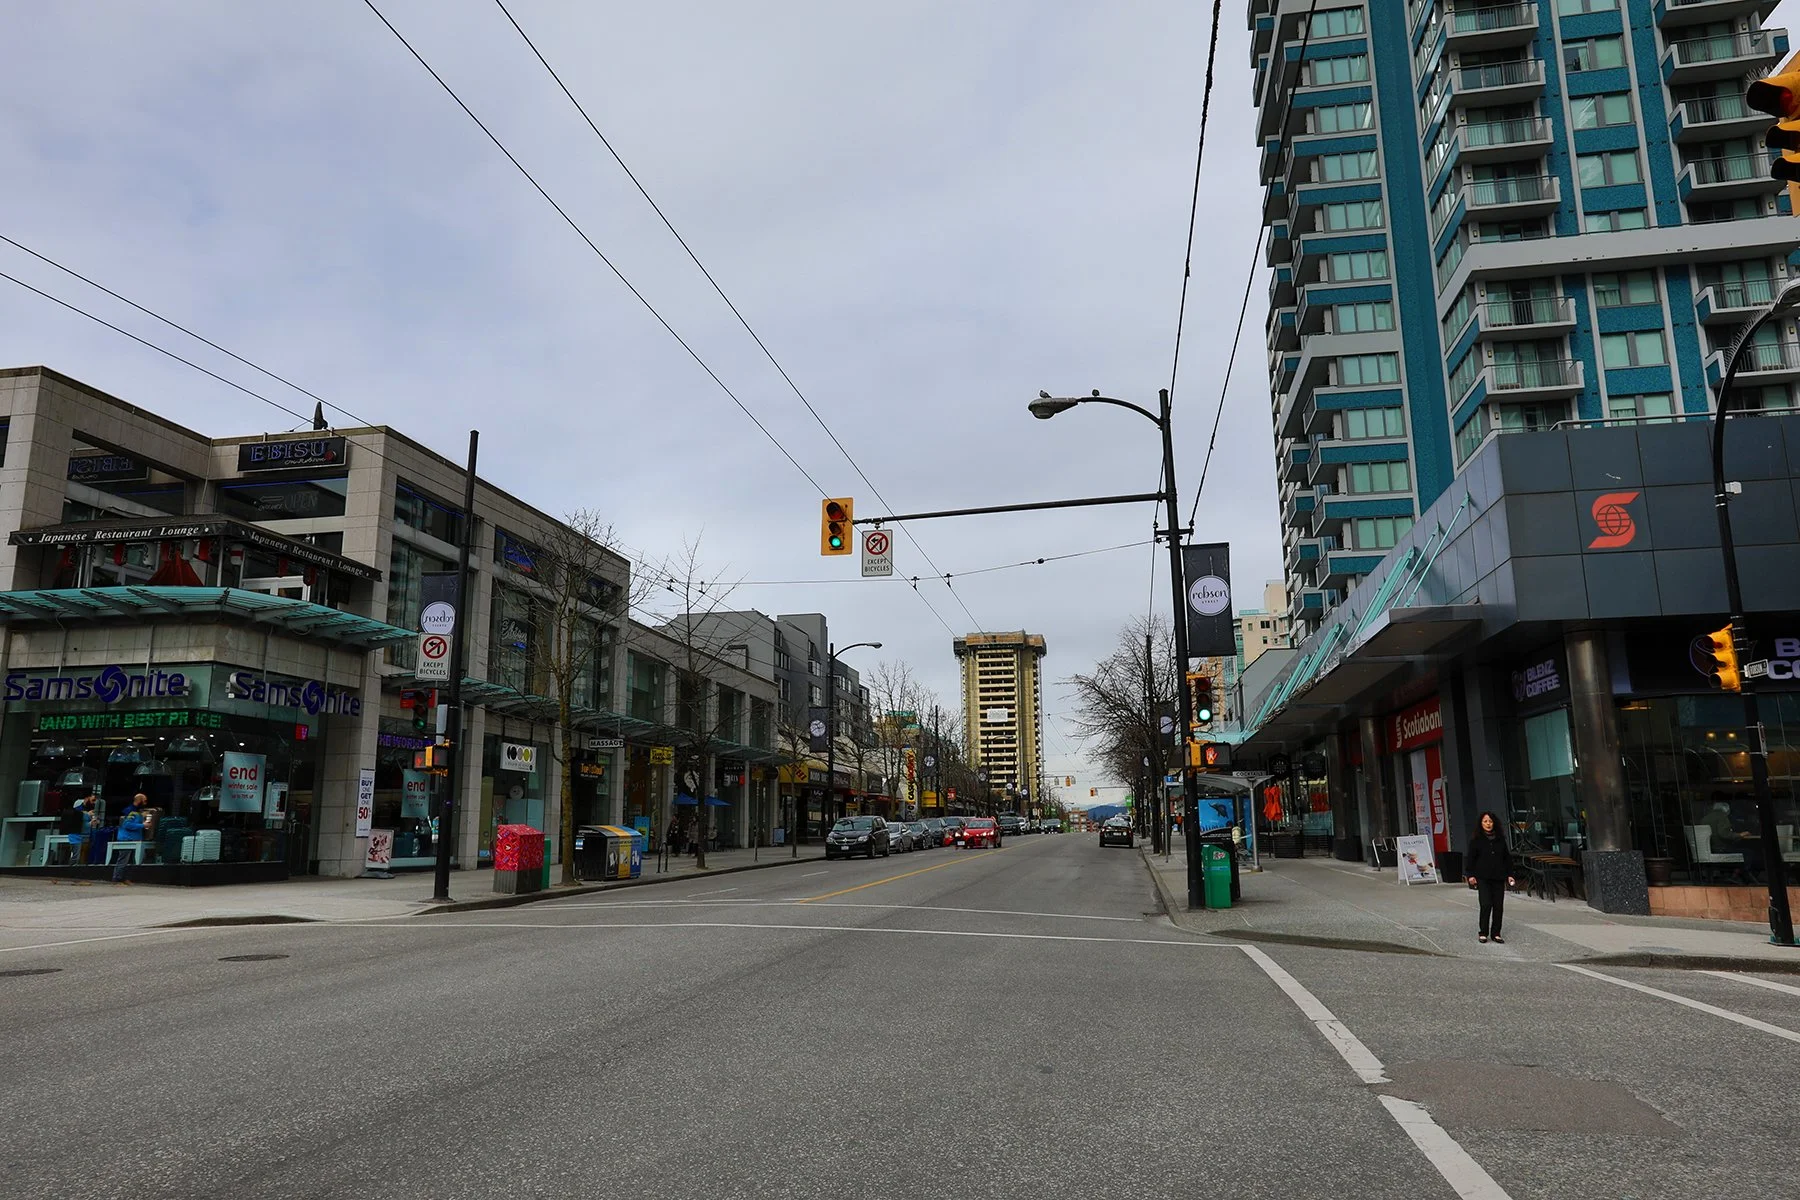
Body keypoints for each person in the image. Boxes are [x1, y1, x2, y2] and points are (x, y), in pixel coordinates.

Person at [1465, 811, 1516, 945]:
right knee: (1486, 904)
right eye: (1485, 821)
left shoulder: (1500, 839)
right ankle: (1483, 932)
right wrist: (1470, 875)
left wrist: (1510, 874)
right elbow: (1471, 859)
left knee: (1498, 906)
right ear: (1481, 824)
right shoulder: (1476, 840)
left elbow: (1507, 858)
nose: (1488, 824)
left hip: (1499, 876)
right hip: (1483, 877)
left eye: (1490, 821)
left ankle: (1496, 933)